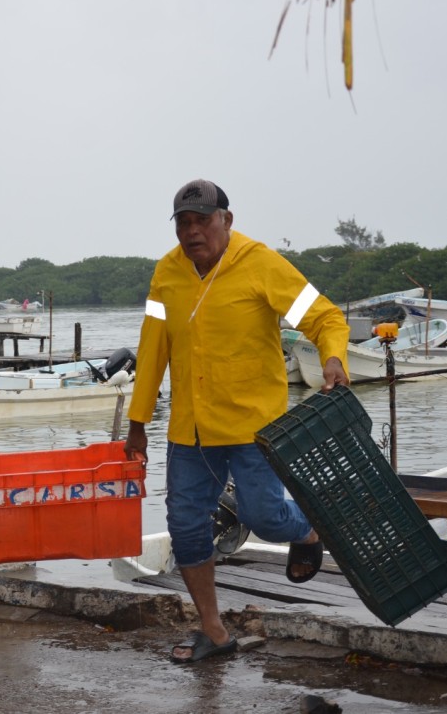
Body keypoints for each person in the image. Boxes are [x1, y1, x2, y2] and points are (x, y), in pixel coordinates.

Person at [125, 179, 350, 664]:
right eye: (183, 223)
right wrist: (138, 421)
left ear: (226, 220)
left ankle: (308, 530)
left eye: (202, 220)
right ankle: (214, 630)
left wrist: (333, 357)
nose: (192, 232)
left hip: (254, 427)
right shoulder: (166, 273)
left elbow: (324, 317)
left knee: (263, 516)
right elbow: (153, 344)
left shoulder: (261, 264)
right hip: (190, 430)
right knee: (186, 527)